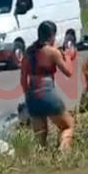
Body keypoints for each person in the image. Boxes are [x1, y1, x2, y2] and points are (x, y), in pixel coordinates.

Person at [20, 21, 76, 151]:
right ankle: (62, 155)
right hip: (47, 94)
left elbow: (23, 81)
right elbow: (69, 72)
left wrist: (29, 97)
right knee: (67, 126)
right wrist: (67, 56)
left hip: (31, 97)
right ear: (51, 36)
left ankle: (42, 161)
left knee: (40, 138)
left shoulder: (29, 52)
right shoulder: (52, 52)